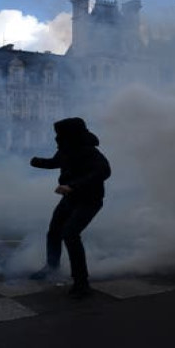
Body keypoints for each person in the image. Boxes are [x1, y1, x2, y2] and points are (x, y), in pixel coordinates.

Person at [29, 117, 111, 298]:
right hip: (70, 199)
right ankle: (51, 267)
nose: (57, 137)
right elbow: (54, 162)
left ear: (70, 134)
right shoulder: (67, 149)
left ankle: (82, 283)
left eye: (60, 134)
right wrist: (36, 162)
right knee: (54, 231)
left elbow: (104, 171)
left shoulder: (89, 151)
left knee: (70, 234)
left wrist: (73, 186)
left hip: (89, 200)